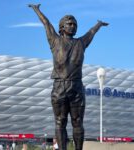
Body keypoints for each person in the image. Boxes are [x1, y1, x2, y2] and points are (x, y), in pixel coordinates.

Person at [28, 4, 108, 150]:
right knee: (60, 122)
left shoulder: (81, 43)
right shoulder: (54, 41)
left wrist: (98, 24)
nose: (72, 26)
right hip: (59, 86)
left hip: (77, 86)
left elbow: (91, 32)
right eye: (69, 24)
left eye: (74, 24)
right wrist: (37, 9)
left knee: (78, 122)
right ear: (61, 27)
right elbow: (46, 23)